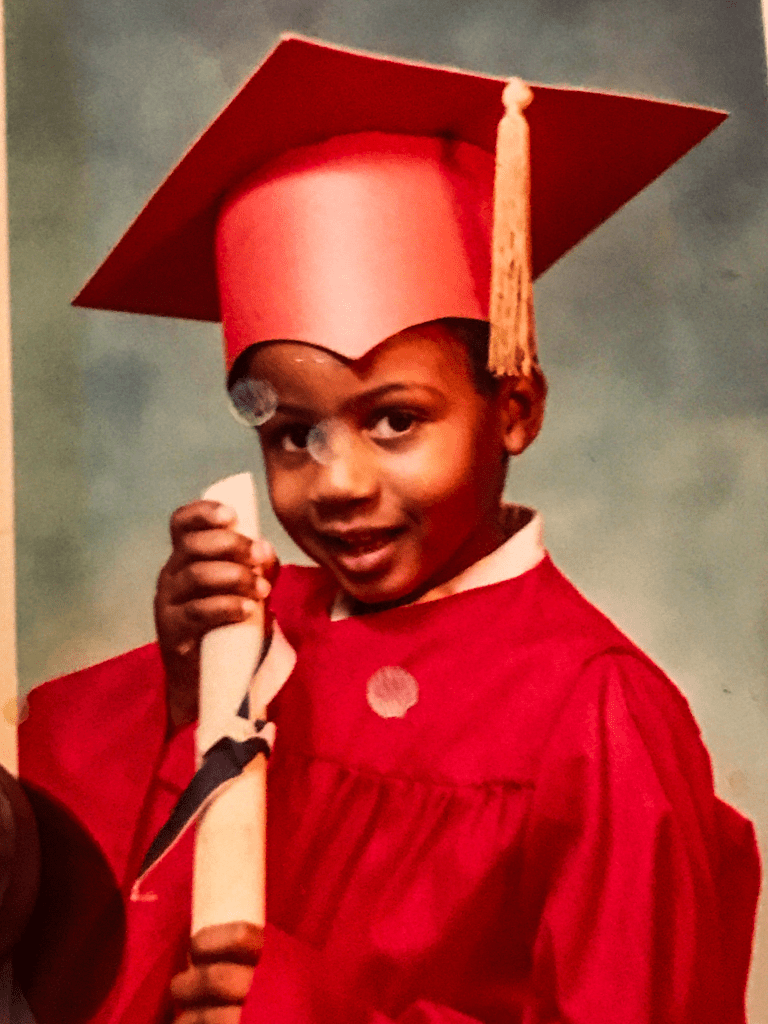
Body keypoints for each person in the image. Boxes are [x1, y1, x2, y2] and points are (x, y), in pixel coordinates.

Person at [15, 34, 760, 1024]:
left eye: (395, 419)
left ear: (515, 408)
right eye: (293, 435)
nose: (340, 483)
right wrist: (190, 689)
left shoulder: (596, 711)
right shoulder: (260, 630)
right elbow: (76, 919)